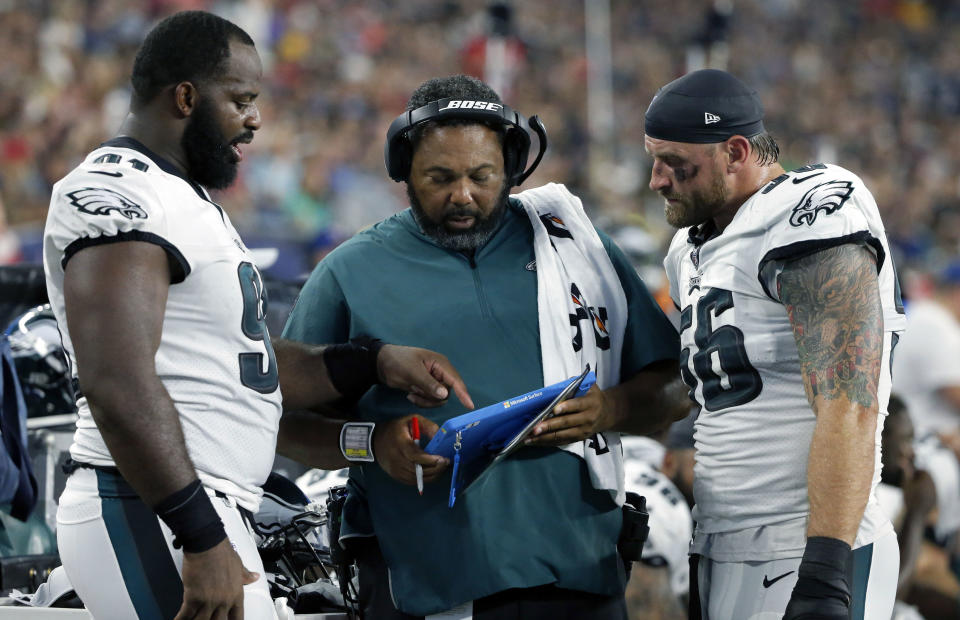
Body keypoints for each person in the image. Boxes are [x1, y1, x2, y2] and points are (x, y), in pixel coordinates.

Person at [42, 12, 471, 620]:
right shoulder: (121, 190)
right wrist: (199, 534)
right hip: (147, 505)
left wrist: (371, 362)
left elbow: (245, 366)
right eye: (241, 99)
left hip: (191, 507)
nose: (255, 119)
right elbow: (116, 382)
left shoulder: (182, 197)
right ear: (186, 97)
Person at [282, 74, 688, 619]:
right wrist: (372, 443)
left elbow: (673, 387)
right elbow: (284, 425)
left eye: (482, 175)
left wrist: (611, 408)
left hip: (583, 575)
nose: (463, 195)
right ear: (403, 169)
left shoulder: (575, 248)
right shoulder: (347, 273)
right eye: (440, 177)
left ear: (513, 167)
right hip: (428, 589)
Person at [644, 69, 906, 619]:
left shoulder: (810, 210)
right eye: (653, 159)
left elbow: (849, 402)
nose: (657, 180)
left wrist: (826, 569)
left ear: (736, 151)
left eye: (676, 165)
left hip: (804, 544)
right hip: (722, 545)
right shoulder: (687, 249)